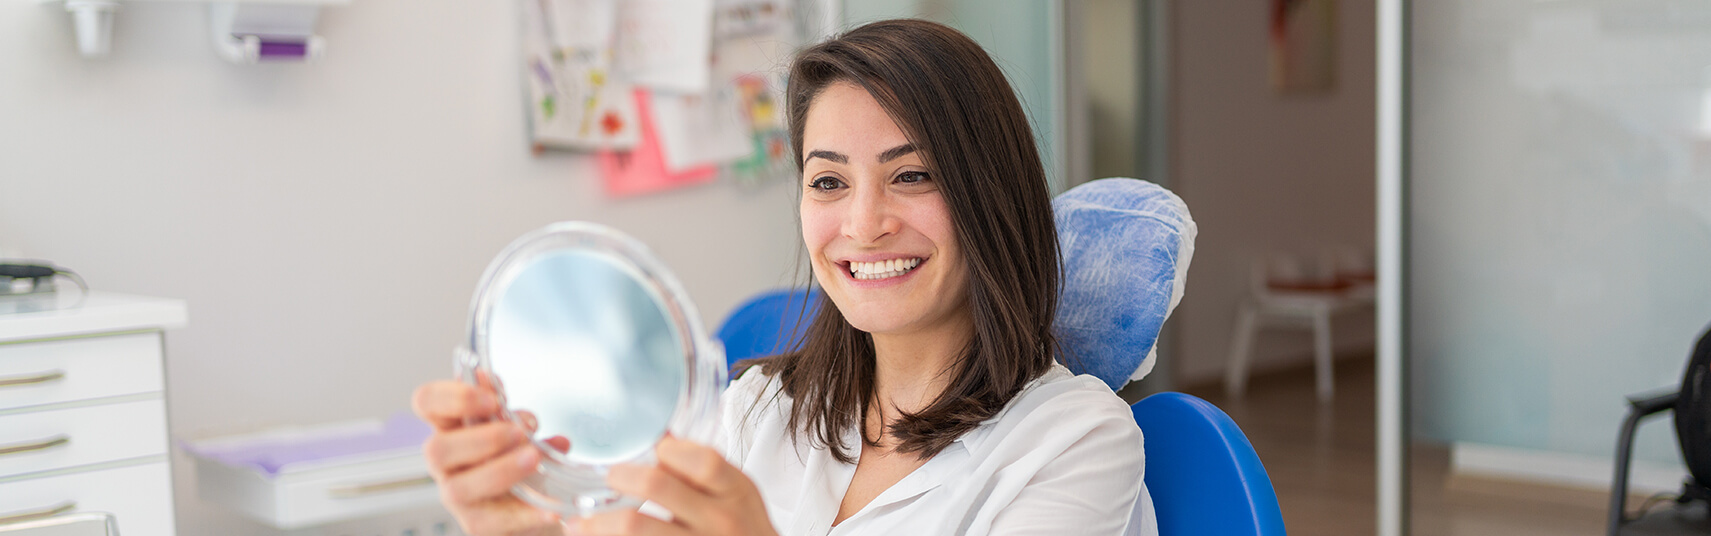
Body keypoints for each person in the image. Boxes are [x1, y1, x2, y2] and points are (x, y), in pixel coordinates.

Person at [411, 19, 1153, 536]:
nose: (863, 224)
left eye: (913, 174)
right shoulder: (755, 411)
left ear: (990, 191)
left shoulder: (1075, 442)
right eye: (828, 183)